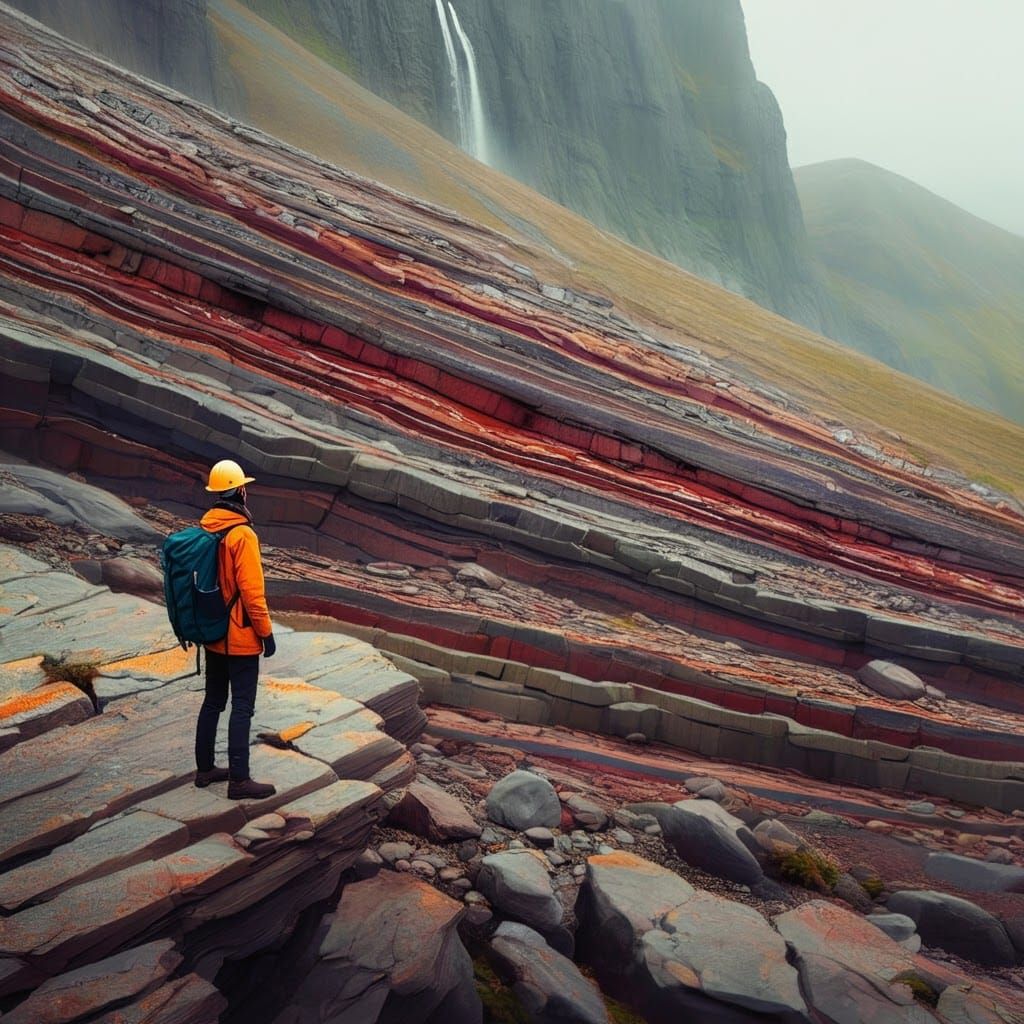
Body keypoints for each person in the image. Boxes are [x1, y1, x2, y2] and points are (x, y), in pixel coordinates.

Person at [193, 459, 277, 799]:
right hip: (240, 636)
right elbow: (252, 593)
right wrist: (266, 633)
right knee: (242, 706)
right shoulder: (242, 534)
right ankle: (239, 781)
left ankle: (205, 770)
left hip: (212, 632)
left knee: (213, 701)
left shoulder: (207, 526)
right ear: (240, 490)